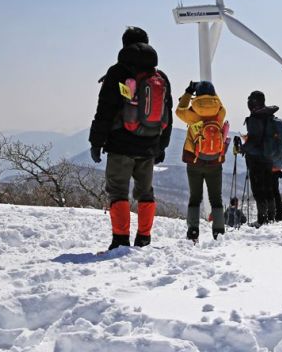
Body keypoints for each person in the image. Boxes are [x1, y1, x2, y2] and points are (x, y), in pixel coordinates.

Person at [89, 27, 172, 251]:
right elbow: (168, 114)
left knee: (117, 190)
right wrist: (161, 146)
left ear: (124, 45)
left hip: (120, 145)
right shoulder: (160, 77)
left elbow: (104, 110)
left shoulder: (117, 73)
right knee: (146, 192)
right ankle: (144, 237)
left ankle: (120, 239)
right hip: (149, 145)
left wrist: (96, 142)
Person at [176, 80, 227, 241]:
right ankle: (218, 230)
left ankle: (193, 230)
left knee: (195, 197)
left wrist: (189, 91)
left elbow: (179, 110)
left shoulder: (192, 114)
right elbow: (219, 103)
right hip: (215, 162)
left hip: (195, 161)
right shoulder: (220, 112)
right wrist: (213, 92)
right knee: (216, 198)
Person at [241, 90, 282, 226]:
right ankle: (271, 217)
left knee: (259, 191)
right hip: (269, 159)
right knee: (269, 189)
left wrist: (243, 147)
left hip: (256, 160)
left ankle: (262, 218)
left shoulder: (255, 118)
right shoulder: (269, 116)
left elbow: (254, 141)